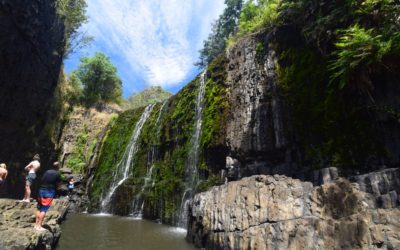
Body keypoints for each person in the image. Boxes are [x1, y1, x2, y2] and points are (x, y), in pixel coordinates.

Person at [35, 161, 61, 231]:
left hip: (41, 190)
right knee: (44, 209)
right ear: (58, 167)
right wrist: (57, 189)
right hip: (49, 192)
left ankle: (36, 225)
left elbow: (42, 179)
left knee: (39, 207)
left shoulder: (47, 172)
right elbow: (58, 185)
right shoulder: (57, 174)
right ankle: (39, 226)